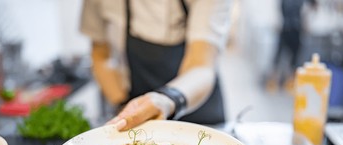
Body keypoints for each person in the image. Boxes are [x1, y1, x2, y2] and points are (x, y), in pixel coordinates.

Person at [80, 0, 232, 131]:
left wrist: (166, 100)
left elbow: (201, 66)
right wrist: (124, 106)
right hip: (139, 113)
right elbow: (100, 54)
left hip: (198, 109)